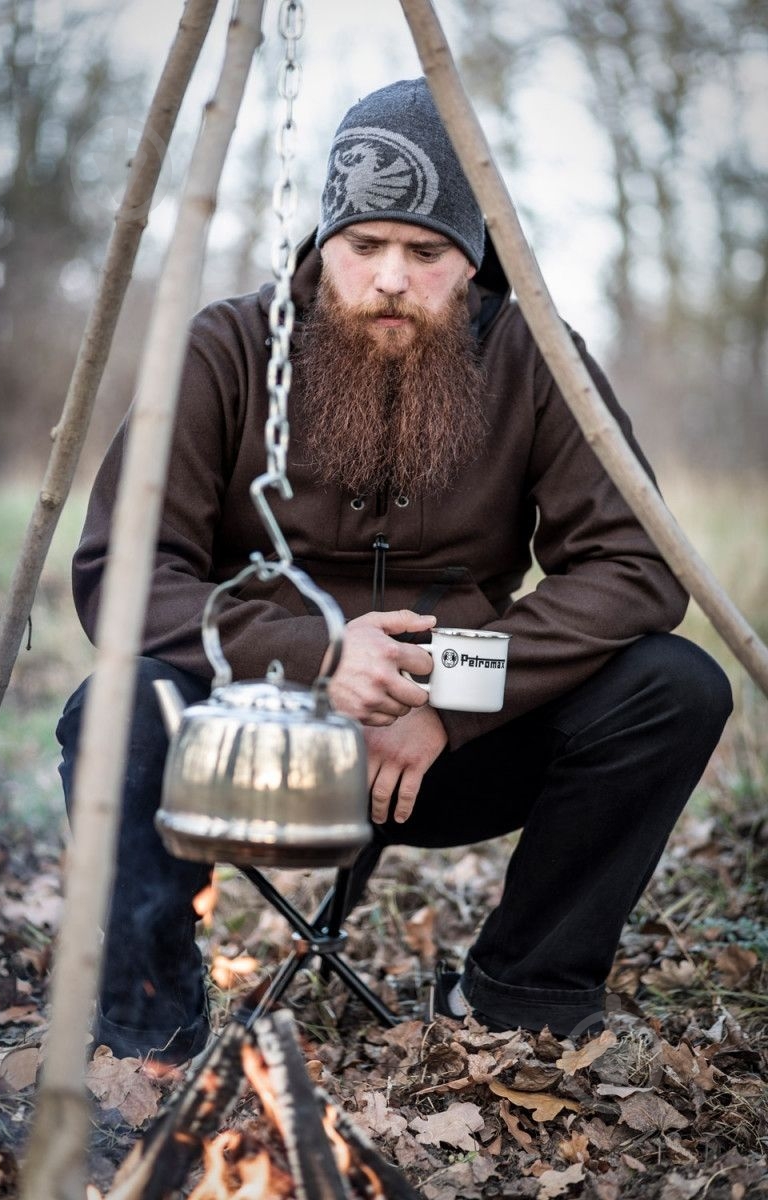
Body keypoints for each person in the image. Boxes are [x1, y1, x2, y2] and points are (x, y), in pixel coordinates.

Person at [57, 78, 732, 1063]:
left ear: (473, 259)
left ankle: (524, 994)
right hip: (250, 746)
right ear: (323, 239)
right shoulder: (227, 347)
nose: (388, 279)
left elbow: (636, 566)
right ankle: (145, 1029)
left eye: (426, 253)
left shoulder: (534, 356)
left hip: (446, 758)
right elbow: (122, 572)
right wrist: (317, 658)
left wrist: (447, 694)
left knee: (674, 686)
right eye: (364, 244)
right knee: (116, 705)